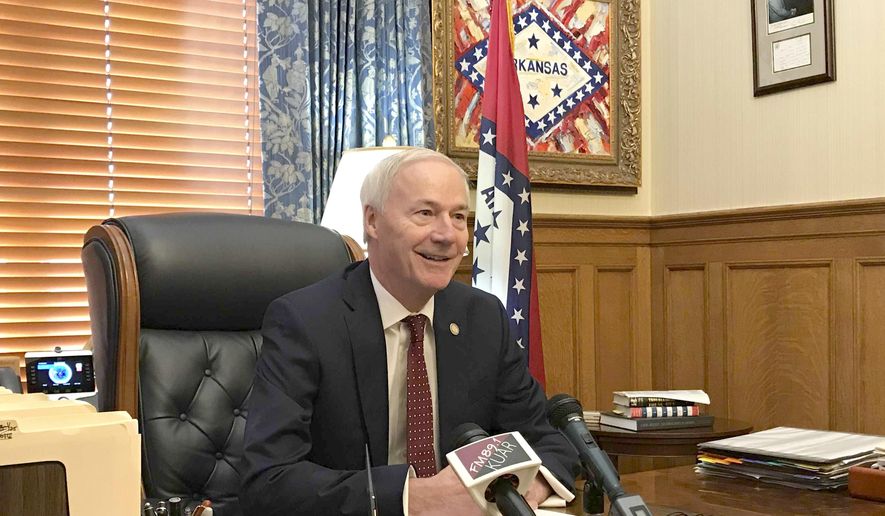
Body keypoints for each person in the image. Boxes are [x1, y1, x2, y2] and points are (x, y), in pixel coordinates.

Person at [240, 148, 580, 515]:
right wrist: (411, 497)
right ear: (372, 221)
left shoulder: (482, 318)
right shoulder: (306, 321)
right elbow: (269, 479)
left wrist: (530, 488)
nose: (447, 235)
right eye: (425, 213)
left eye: (458, 216)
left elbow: (547, 439)